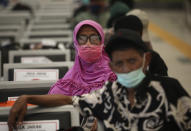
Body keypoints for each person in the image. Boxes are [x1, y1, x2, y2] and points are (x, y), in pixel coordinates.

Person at [7, 20, 116, 131]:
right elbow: (66, 100)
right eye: (82, 39)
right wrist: (27, 98)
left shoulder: (115, 75)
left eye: (94, 38)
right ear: (75, 42)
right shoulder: (68, 82)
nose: (88, 44)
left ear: (101, 41)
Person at [72, 29, 191, 130]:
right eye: (119, 63)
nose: (127, 69)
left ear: (146, 60)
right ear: (111, 67)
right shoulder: (108, 93)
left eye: (132, 61)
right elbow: (76, 100)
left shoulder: (169, 91)